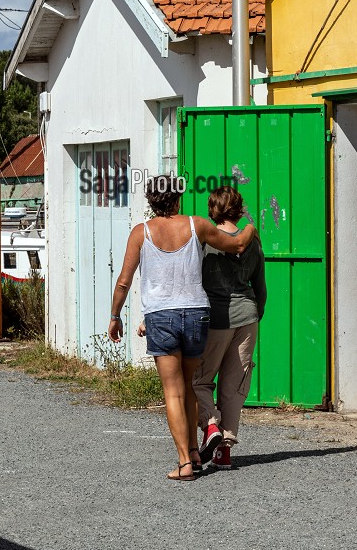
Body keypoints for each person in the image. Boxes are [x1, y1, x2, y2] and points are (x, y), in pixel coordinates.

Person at [108, 175, 257, 481]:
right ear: (177, 198)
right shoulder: (197, 225)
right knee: (189, 386)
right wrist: (252, 224)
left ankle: (184, 464)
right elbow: (238, 244)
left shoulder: (141, 232)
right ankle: (192, 452)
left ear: (152, 202)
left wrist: (115, 316)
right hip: (197, 315)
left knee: (173, 393)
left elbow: (124, 281)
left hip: (161, 317)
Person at [193, 186, 266, 471]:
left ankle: (211, 426)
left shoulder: (207, 241)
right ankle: (224, 449)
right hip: (247, 317)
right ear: (238, 208)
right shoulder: (253, 242)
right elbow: (261, 287)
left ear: (213, 210)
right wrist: (254, 314)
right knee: (234, 387)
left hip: (215, 318)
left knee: (198, 381)